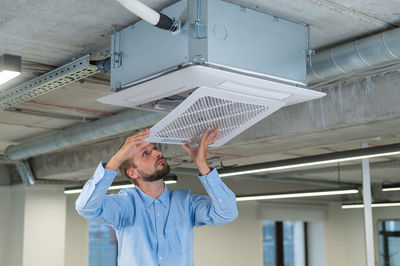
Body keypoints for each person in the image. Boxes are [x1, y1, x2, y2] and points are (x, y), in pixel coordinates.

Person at [75, 127, 238, 266]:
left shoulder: (186, 203)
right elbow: (86, 207)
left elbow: (227, 213)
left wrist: (202, 164)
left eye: (155, 148)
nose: (158, 153)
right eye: (146, 153)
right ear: (133, 173)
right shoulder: (124, 205)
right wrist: (118, 158)